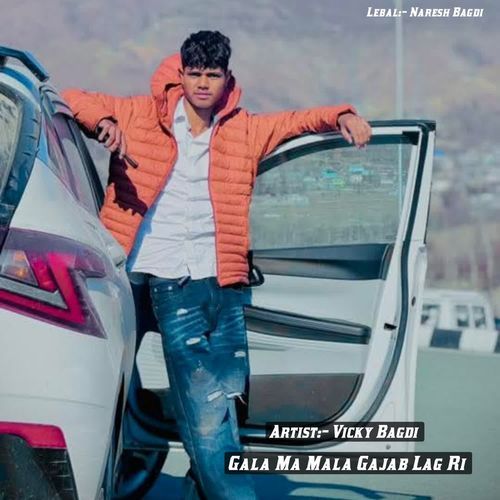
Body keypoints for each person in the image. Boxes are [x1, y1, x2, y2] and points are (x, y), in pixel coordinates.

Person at [63, 30, 371, 499]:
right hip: (131, 273)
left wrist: (342, 114)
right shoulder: (139, 114)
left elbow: (298, 121)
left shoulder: (245, 130)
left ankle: (212, 488)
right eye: (195, 74)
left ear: (227, 78)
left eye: (213, 74)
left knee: (216, 400)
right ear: (181, 74)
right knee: (121, 388)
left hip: (201, 279)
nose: (203, 84)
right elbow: (71, 97)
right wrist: (103, 122)